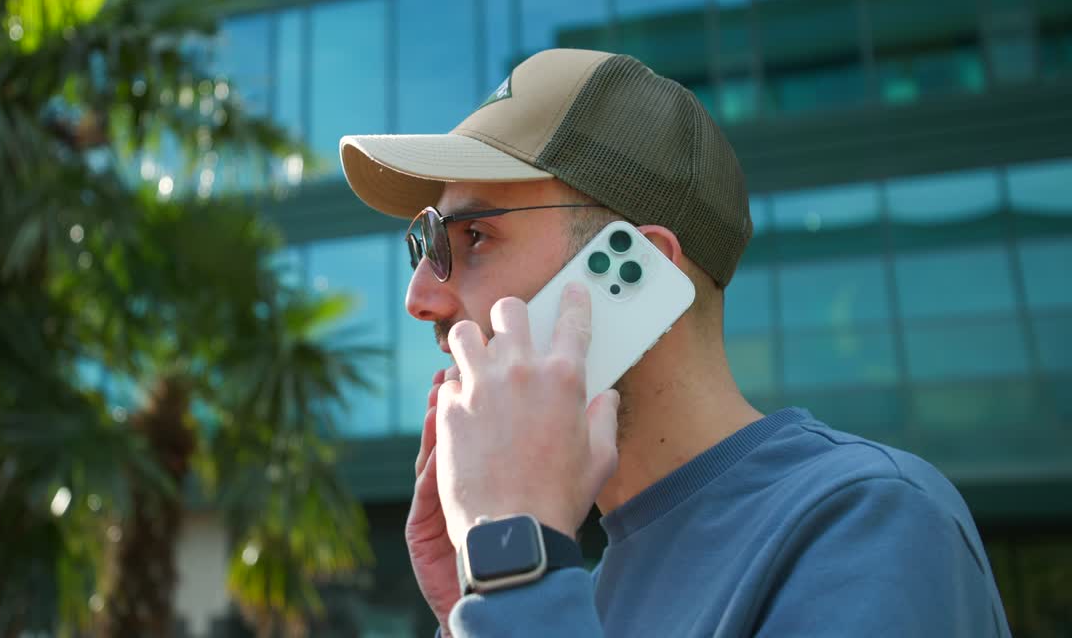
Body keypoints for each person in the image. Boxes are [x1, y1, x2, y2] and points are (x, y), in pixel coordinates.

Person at [338, 48, 1011, 637]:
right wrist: (479, 603)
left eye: (472, 239)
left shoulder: (868, 523)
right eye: (423, 248)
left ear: (637, 275)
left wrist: (516, 571)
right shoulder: (571, 588)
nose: (419, 297)